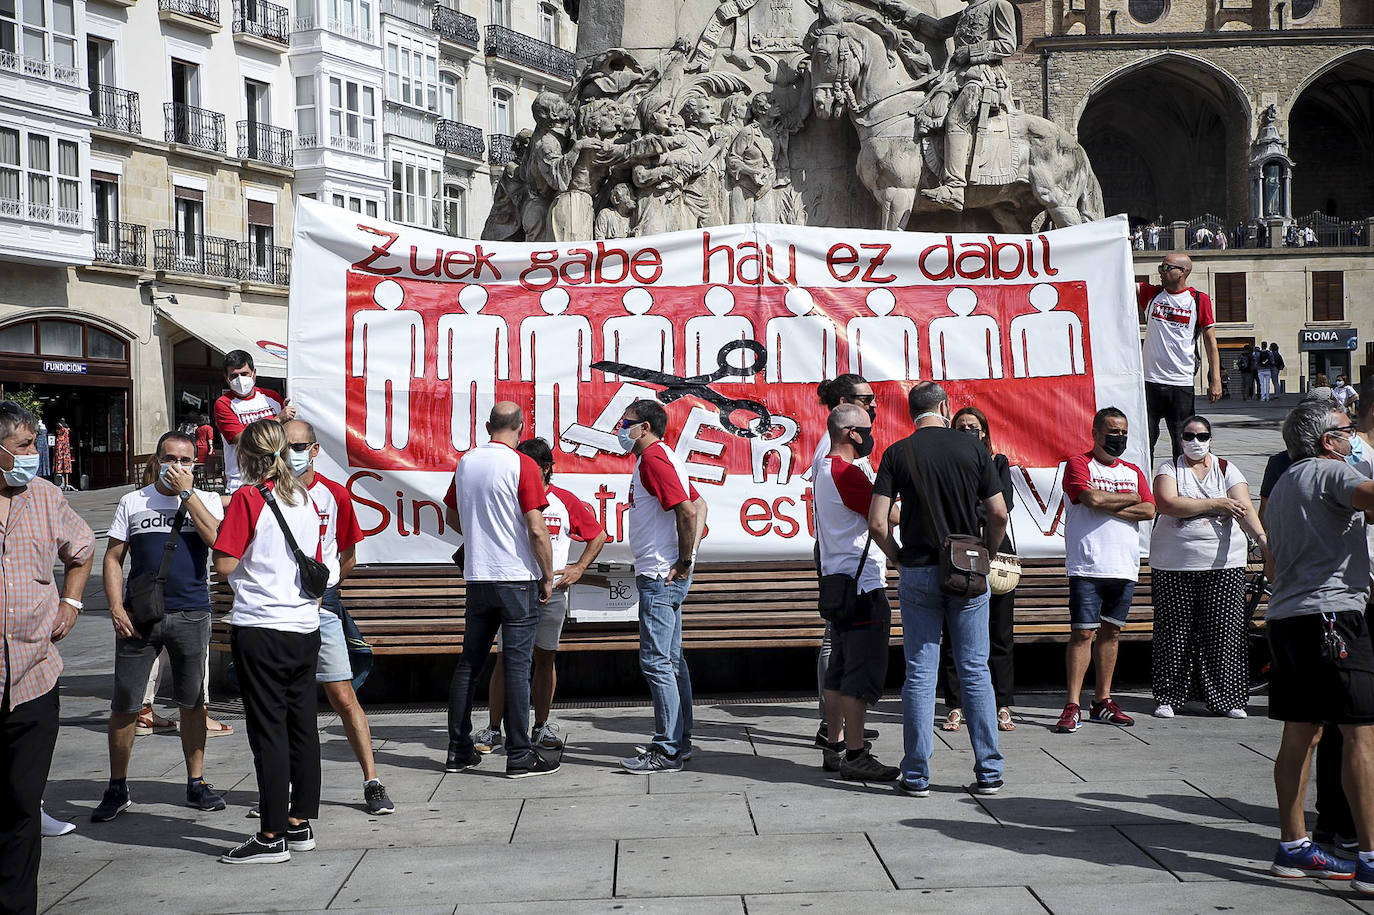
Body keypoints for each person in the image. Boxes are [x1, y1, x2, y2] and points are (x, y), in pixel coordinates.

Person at [869, 382, 1008, 796]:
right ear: (946, 408)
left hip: (917, 570)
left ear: (912, 412)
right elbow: (998, 513)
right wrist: (988, 550)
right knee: (974, 670)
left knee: (920, 674)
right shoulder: (974, 450)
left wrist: (897, 558)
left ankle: (915, 775)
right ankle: (989, 771)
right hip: (967, 570)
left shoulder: (897, 453)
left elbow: (877, 523)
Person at [1264, 399, 1374, 889]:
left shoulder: (1287, 481)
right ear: (1329, 441)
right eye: (1349, 431)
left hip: (1288, 619)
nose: (1355, 440)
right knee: (1360, 734)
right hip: (1332, 619)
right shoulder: (1330, 472)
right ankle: (1370, 859)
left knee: (1301, 734)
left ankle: (1293, 846)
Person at [93, 431, 227, 823]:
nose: (178, 467)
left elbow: (218, 542)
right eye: (170, 459)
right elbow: (114, 557)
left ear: (195, 465)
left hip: (191, 613)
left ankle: (196, 782)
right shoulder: (133, 502)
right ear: (156, 460)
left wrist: (187, 495)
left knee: (192, 703)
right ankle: (117, 786)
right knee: (125, 704)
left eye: (186, 461)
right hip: (140, 616)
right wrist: (116, 607)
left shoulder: (204, 500)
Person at [212, 418, 324, 864]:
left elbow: (224, 563)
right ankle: (300, 824)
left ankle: (271, 833)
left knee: (268, 731)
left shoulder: (248, 497)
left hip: (261, 624)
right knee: (302, 726)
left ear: (245, 456)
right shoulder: (303, 497)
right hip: (302, 626)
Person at [0, 401, 94, 914]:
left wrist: (72, 601)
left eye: (34, 445)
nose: (32, 456)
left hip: (35, 675)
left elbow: (81, 548)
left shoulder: (45, 496)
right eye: (20, 448)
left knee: (20, 802)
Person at [282, 420, 394, 816]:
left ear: (314, 450)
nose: (290, 453)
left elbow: (349, 556)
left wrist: (323, 589)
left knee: (344, 697)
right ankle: (283, 789)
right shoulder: (266, 493)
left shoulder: (334, 495)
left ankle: (373, 781)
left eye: (298, 446)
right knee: (284, 703)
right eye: (284, 445)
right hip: (279, 610)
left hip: (322, 604)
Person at [442, 403, 559, 778]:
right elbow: (537, 528)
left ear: (488, 425)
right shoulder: (522, 465)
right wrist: (547, 574)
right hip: (516, 577)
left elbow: (451, 514)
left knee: (469, 665)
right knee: (517, 666)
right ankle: (520, 754)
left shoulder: (466, 462)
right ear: (521, 428)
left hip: (479, 576)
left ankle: (459, 749)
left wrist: (481, 535)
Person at [473, 437, 607, 756]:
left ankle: (541, 726)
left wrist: (578, 568)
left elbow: (598, 534)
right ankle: (494, 729)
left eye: (529, 467)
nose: (522, 473)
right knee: (506, 660)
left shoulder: (564, 500)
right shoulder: (510, 497)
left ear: (547, 469)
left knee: (545, 658)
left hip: (554, 593)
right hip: (516, 590)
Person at [1148, 416, 1267, 720]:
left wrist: (1261, 539)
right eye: (1189, 435)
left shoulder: (1226, 469)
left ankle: (1227, 698)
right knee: (1175, 631)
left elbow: (1244, 508)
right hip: (1174, 564)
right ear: (1181, 438)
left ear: (1211, 439)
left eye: (1202, 436)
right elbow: (1168, 503)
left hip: (1224, 564)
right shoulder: (1169, 469)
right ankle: (1169, 696)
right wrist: (1217, 504)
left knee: (1225, 632)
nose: (1196, 442)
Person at [618, 398, 707, 773]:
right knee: (671, 662)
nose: (622, 428)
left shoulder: (654, 458)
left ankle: (668, 748)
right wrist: (687, 558)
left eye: (628, 422)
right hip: (663, 573)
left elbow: (689, 511)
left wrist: (684, 561)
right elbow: (700, 505)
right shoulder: (664, 457)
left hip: (659, 575)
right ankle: (678, 742)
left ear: (647, 427)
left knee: (657, 663)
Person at [1055, 407, 1156, 734]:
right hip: (1088, 563)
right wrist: (1128, 499)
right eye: (1113, 432)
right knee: (1083, 633)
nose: (1119, 438)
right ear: (1096, 433)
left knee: (1111, 633)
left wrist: (1112, 500)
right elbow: (1089, 498)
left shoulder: (1133, 469)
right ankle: (1072, 704)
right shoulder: (1078, 464)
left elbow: (1150, 508)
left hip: (1124, 566)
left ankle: (1102, 701)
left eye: (1124, 433)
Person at [815, 404, 897, 781]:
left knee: (839, 671)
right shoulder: (844, 472)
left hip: (838, 583)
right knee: (858, 675)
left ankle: (834, 745)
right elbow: (888, 516)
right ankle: (855, 753)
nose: (872, 433)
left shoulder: (823, 469)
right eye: (869, 427)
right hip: (861, 584)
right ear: (852, 433)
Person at [938, 406, 1017, 733]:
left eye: (974, 427)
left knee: (1000, 632)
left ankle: (1002, 704)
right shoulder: (945, 466)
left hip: (996, 554)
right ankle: (955, 705)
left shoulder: (998, 463)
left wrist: (973, 512)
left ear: (984, 432)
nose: (968, 431)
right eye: (961, 427)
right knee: (954, 633)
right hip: (959, 553)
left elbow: (1002, 505)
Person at [810, 373, 878, 747]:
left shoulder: (840, 453)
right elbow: (867, 509)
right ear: (843, 406)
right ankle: (832, 725)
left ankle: (841, 724)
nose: (873, 406)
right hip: (845, 559)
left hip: (841, 554)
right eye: (865, 399)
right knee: (838, 647)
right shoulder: (834, 454)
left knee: (839, 644)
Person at [1138, 254, 1221, 459]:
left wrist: (1216, 379)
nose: (1161, 271)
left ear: (1183, 272)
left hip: (1181, 383)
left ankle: (1182, 485)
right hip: (1149, 381)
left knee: (1183, 442)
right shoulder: (1151, 294)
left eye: (1166, 267)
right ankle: (1146, 488)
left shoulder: (1198, 300)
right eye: (1160, 266)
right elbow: (1119, 274)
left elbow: (1210, 342)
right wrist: (1121, 239)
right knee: (1145, 441)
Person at [214, 350, 295, 494]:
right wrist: (278, 419)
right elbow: (242, 439)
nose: (240, 380)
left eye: (244, 374)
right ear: (226, 378)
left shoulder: (272, 397)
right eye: (234, 376)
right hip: (243, 480)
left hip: (276, 476)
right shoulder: (223, 404)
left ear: (254, 373)